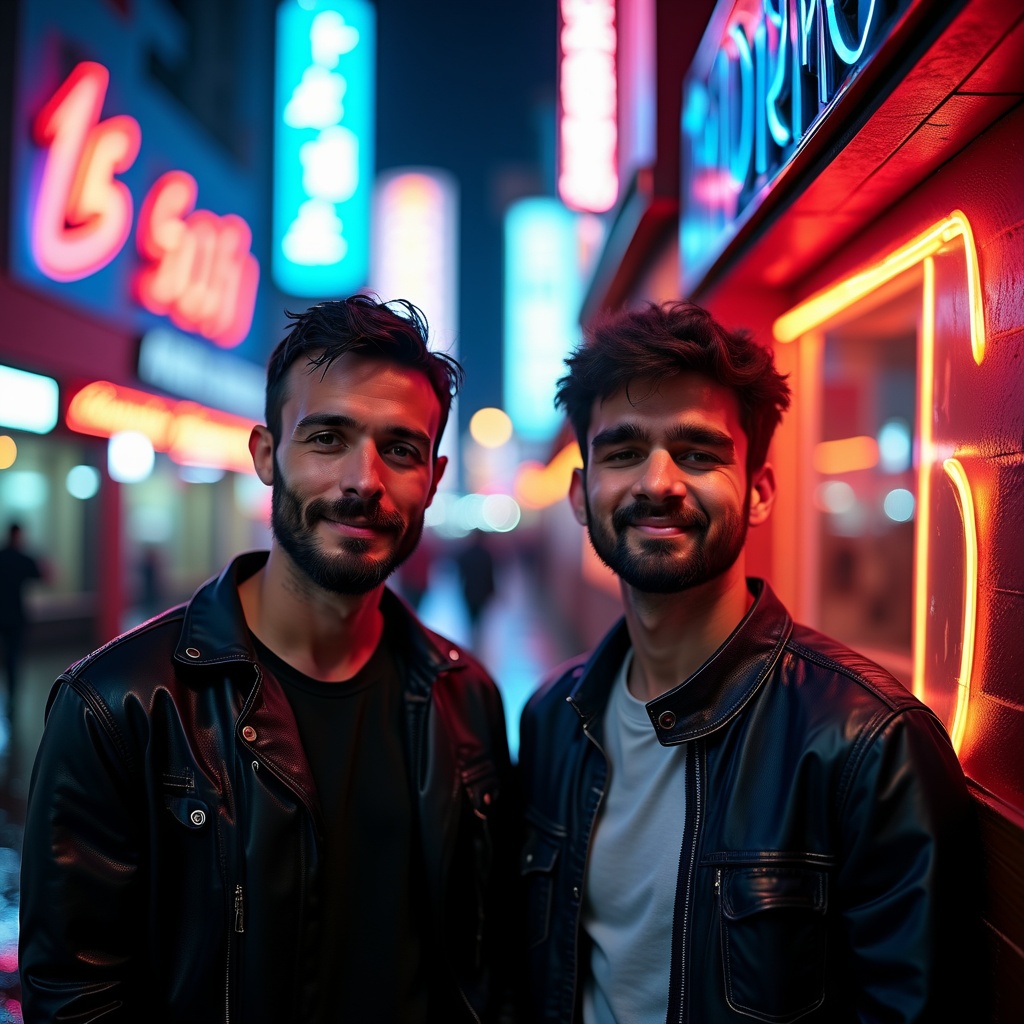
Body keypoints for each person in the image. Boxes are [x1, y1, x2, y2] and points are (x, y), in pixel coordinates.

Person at [20, 296, 518, 1023]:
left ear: (434, 479)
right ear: (265, 453)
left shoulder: (465, 695)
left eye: (400, 449)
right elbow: (74, 996)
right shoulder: (121, 704)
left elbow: (487, 964)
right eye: (327, 438)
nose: (363, 480)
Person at [517, 301, 978, 1023]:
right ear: (582, 494)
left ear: (759, 492)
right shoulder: (553, 720)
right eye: (623, 452)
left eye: (697, 453)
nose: (657, 482)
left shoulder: (868, 745)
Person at [0, 521, 43, 720]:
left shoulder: (3, 556)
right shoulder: (22, 558)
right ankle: (12, 695)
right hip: (16, 616)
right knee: (13, 657)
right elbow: (42, 574)